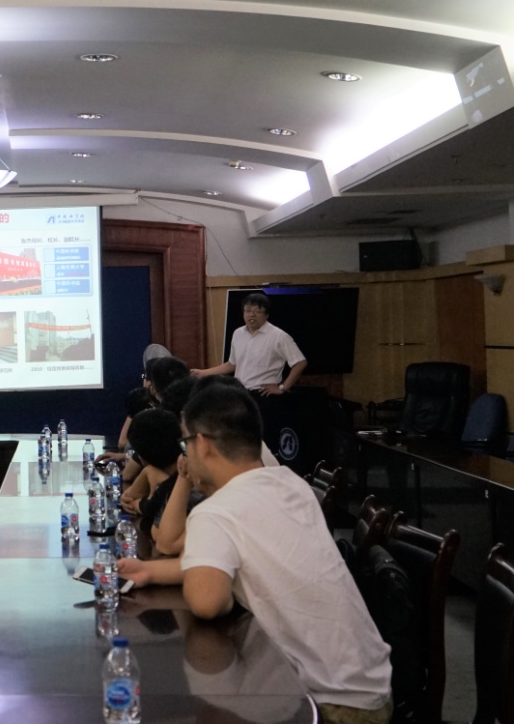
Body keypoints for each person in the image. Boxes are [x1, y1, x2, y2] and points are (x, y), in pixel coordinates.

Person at [119, 386, 391, 724]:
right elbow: (235, 560)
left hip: (332, 704)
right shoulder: (290, 485)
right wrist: (150, 571)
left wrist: (206, 582)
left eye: (185, 444)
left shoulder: (216, 512)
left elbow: (207, 602)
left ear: (202, 444)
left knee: (216, 702)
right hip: (369, 683)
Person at [190, 293, 305, 396]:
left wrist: (282, 388)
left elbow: (300, 363)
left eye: (257, 311)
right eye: (248, 311)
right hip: (240, 393)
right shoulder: (238, 333)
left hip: (263, 394)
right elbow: (232, 364)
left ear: (266, 315)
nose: (252, 315)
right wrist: (203, 373)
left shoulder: (279, 336)